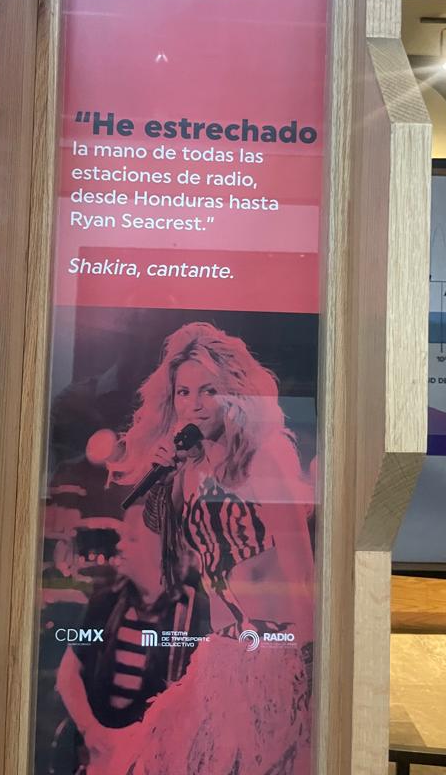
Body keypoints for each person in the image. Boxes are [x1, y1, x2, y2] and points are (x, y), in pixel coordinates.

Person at [107, 321, 315, 775]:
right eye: (183, 392)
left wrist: (312, 662)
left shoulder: (264, 457)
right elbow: (160, 534)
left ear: (235, 394)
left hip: (278, 651)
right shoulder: (190, 469)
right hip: (222, 656)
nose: (194, 404)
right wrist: (164, 474)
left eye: (208, 391)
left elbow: (302, 569)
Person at [53, 504, 208, 775]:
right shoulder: (105, 602)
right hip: (99, 757)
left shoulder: (194, 613)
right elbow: (68, 673)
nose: (120, 545)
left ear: (162, 551)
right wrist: (90, 730)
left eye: (132, 539)